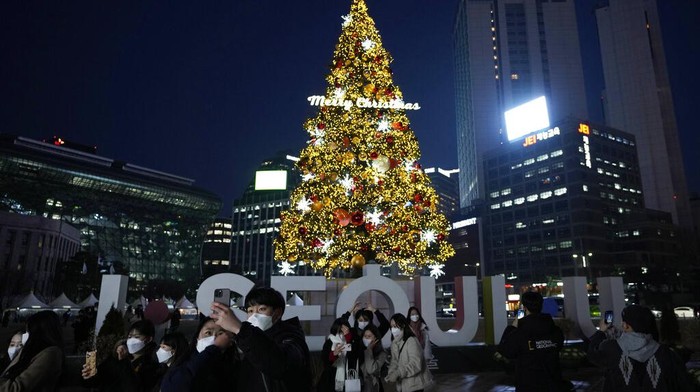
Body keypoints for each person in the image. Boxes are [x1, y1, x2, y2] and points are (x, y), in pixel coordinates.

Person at [211, 286, 312, 391]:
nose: (255, 315)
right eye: (250, 311)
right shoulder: (245, 341)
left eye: (262, 309)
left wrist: (239, 328)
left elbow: (279, 365)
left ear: (277, 313)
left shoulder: (291, 338)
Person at [587, 304, 694, 391]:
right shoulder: (665, 353)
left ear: (625, 326)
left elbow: (591, 354)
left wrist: (601, 332)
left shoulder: (611, 348)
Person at [497, 291, 566, 392]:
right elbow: (558, 346)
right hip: (553, 383)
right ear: (541, 306)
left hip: (528, 384)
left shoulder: (520, 334)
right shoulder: (555, 330)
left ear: (524, 308)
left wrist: (513, 327)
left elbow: (505, 351)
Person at [160, 318, 237, 392]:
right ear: (197, 338)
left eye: (220, 335)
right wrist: (214, 349)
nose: (214, 339)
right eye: (208, 333)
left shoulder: (234, 370)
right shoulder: (182, 365)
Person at [82, 319, 159, 391]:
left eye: (137, 337)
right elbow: (98, 380)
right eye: (130, 336)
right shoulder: (116, 356)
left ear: (148, 339)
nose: (131, 340)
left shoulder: (151, 363)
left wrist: (124, 361)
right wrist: (89, 376)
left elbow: (133, 388)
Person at [0, 310, 65, 392]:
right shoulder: (33, 351)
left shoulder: (50, 353)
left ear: (38, 332)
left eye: (28, 331)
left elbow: (16, 388)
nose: (25, 335)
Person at [385, 313, 432, 392]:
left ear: (403, 325)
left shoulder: (411, 341)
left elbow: (416, 364)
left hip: (415, 386)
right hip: (402, 386)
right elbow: (394, 361)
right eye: (391, 327)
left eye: (395, 326)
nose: (393, 329)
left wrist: (398, 373)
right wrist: (391, 373)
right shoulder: (395, 343)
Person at [319, 318, 362, 392]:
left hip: (349, 378)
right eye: (339, 332)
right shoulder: (330, 342)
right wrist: (334, 354)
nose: (341, 335)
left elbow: (355, 357)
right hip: (331, 379)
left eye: (344, 332)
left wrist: (348, 339)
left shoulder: (353, 341)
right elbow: (325, 361)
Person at [360, 324, 387, 392]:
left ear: (376, 338)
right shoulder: (360, 350)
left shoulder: (382, 354)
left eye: (369, 336)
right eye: (365, 336)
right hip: (359, 385)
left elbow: (370, 369)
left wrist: (369, 350)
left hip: (372, 387)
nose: (366, 338)